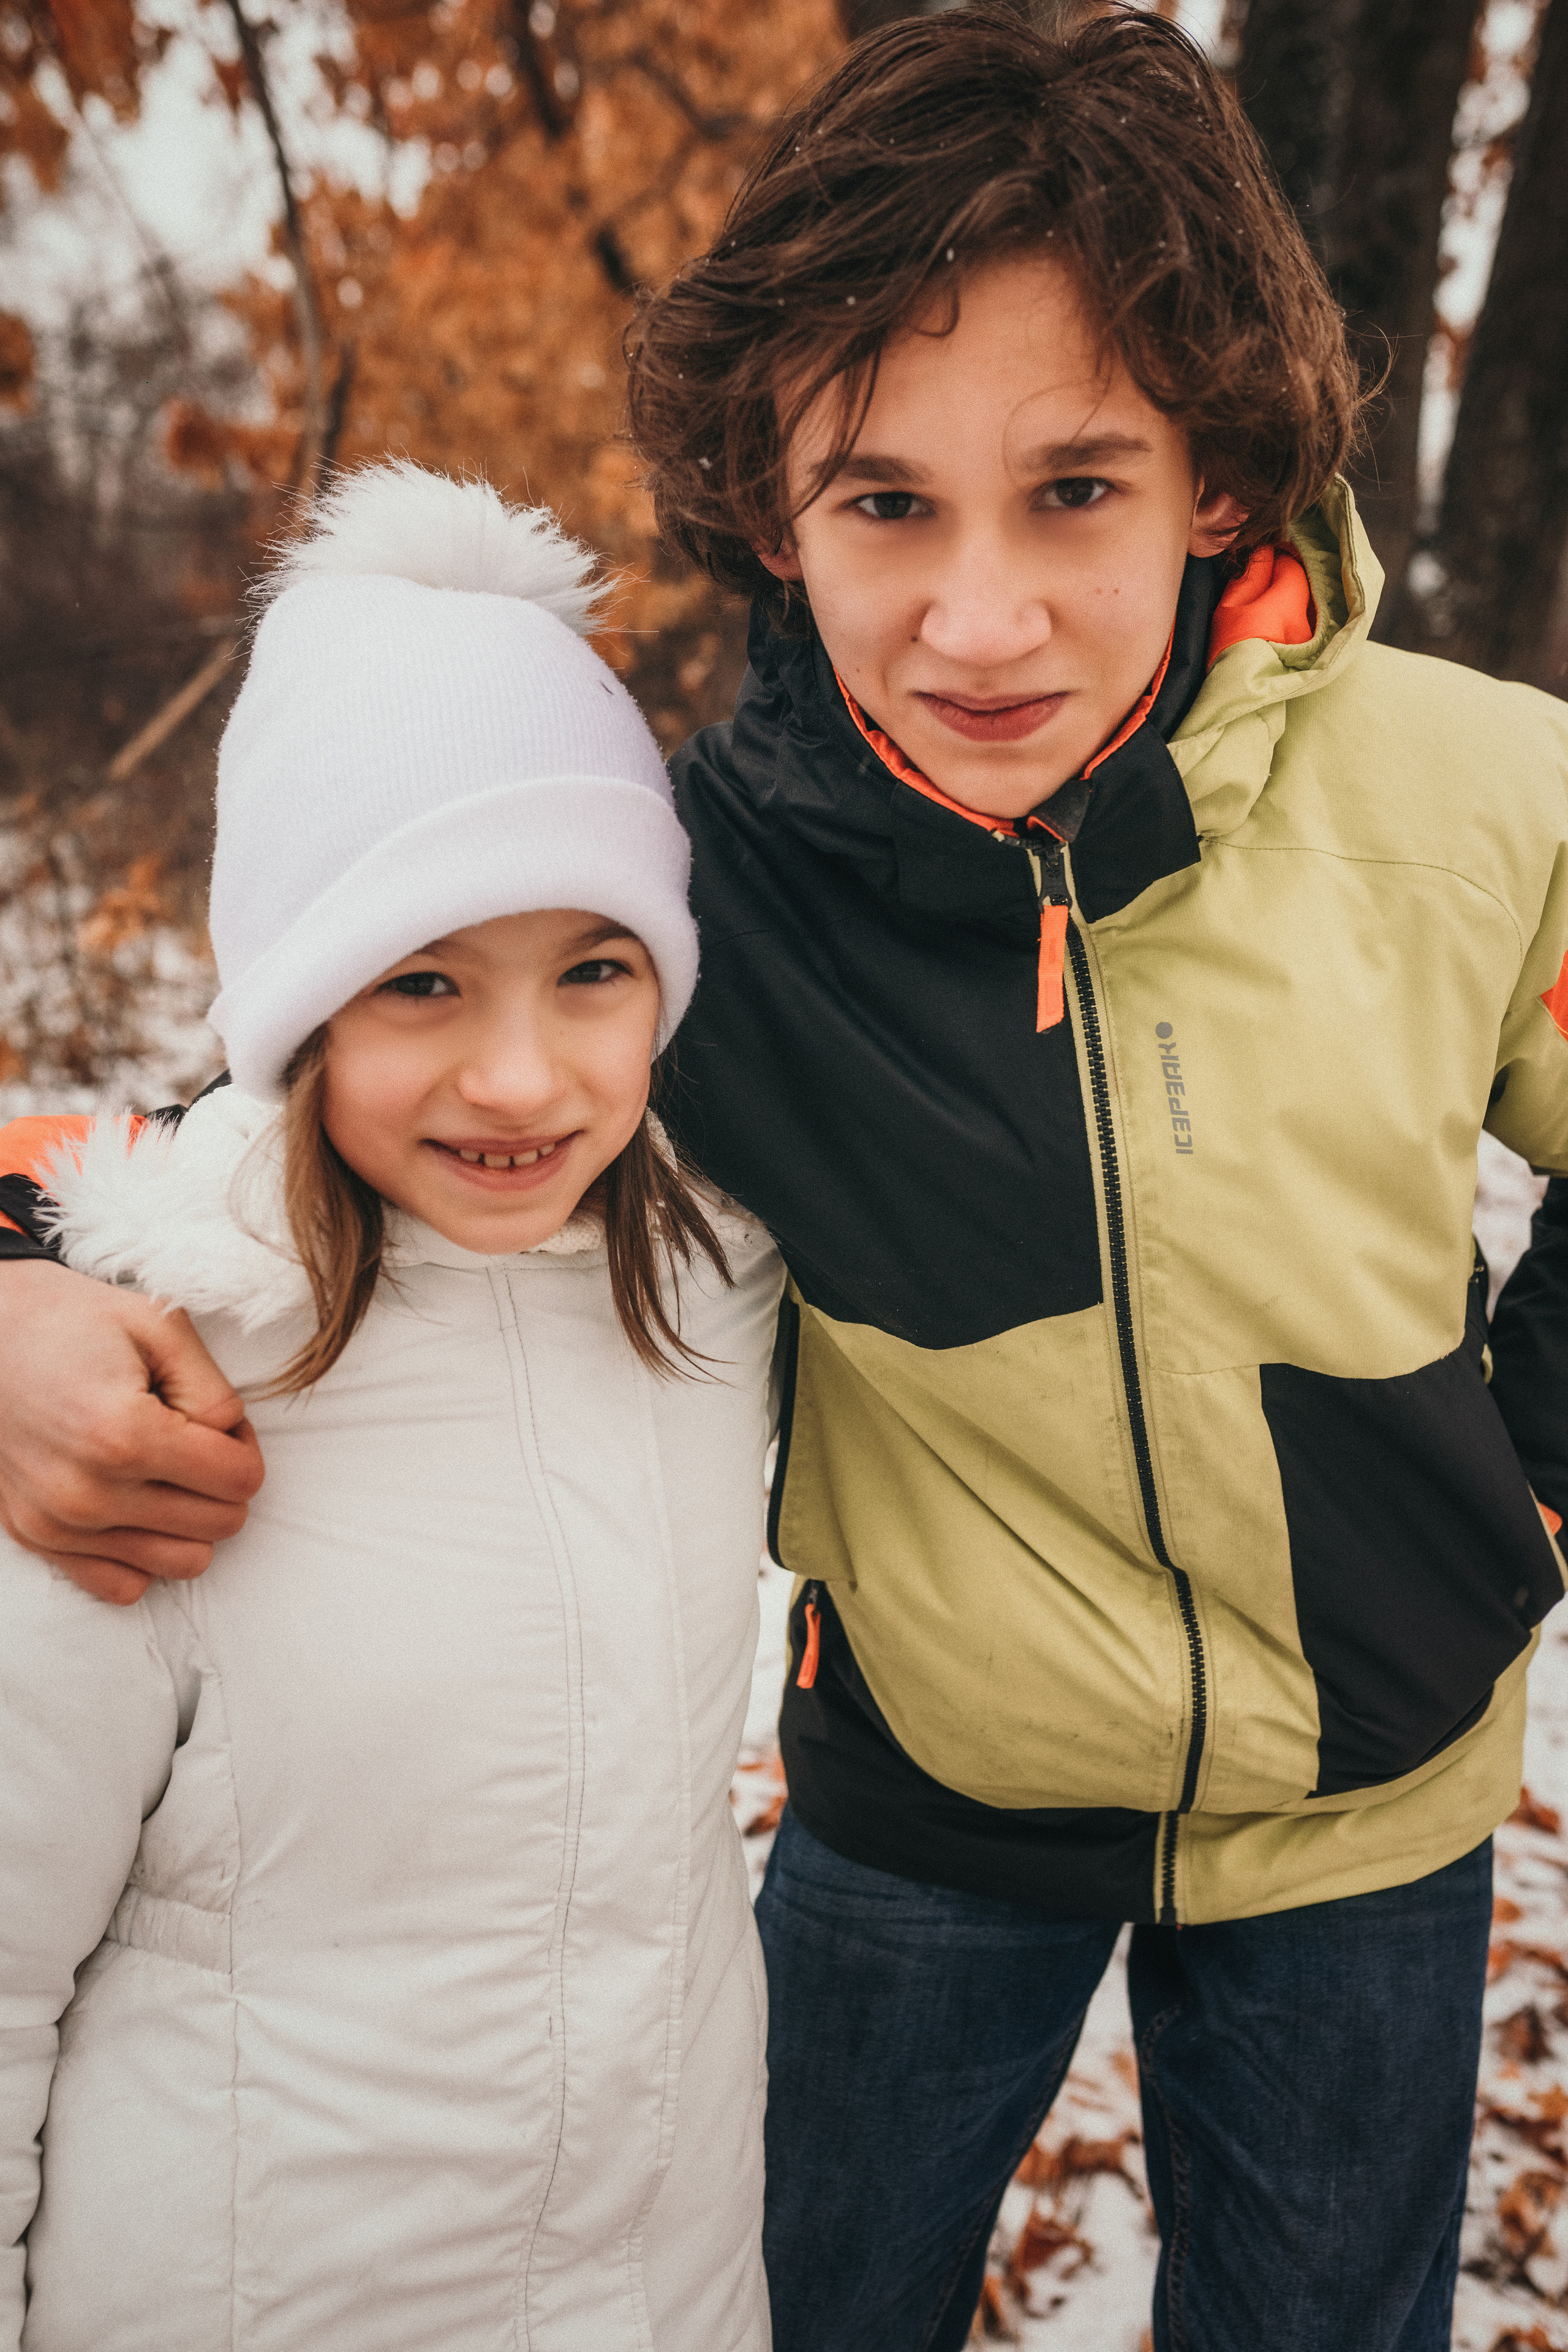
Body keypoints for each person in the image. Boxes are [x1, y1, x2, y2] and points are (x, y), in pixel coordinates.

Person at [4, 8, 1568, 2348]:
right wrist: (11, 1279)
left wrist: (1514, 1482)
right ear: (769, 505)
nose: (980, 615)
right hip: (922, 1808)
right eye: (885, 502)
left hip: (1373, 1812)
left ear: (1219, 477)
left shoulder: (1481, 799)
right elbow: (267, 1092)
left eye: (1076, 488)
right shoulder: (681, 902)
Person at [0, 463, 782, 2352]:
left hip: (666, 2292)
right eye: (421, 980)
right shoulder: (148, 1380)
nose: (520, 1075)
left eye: (594, 970)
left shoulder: (719, 1289)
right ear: (301, 1008)